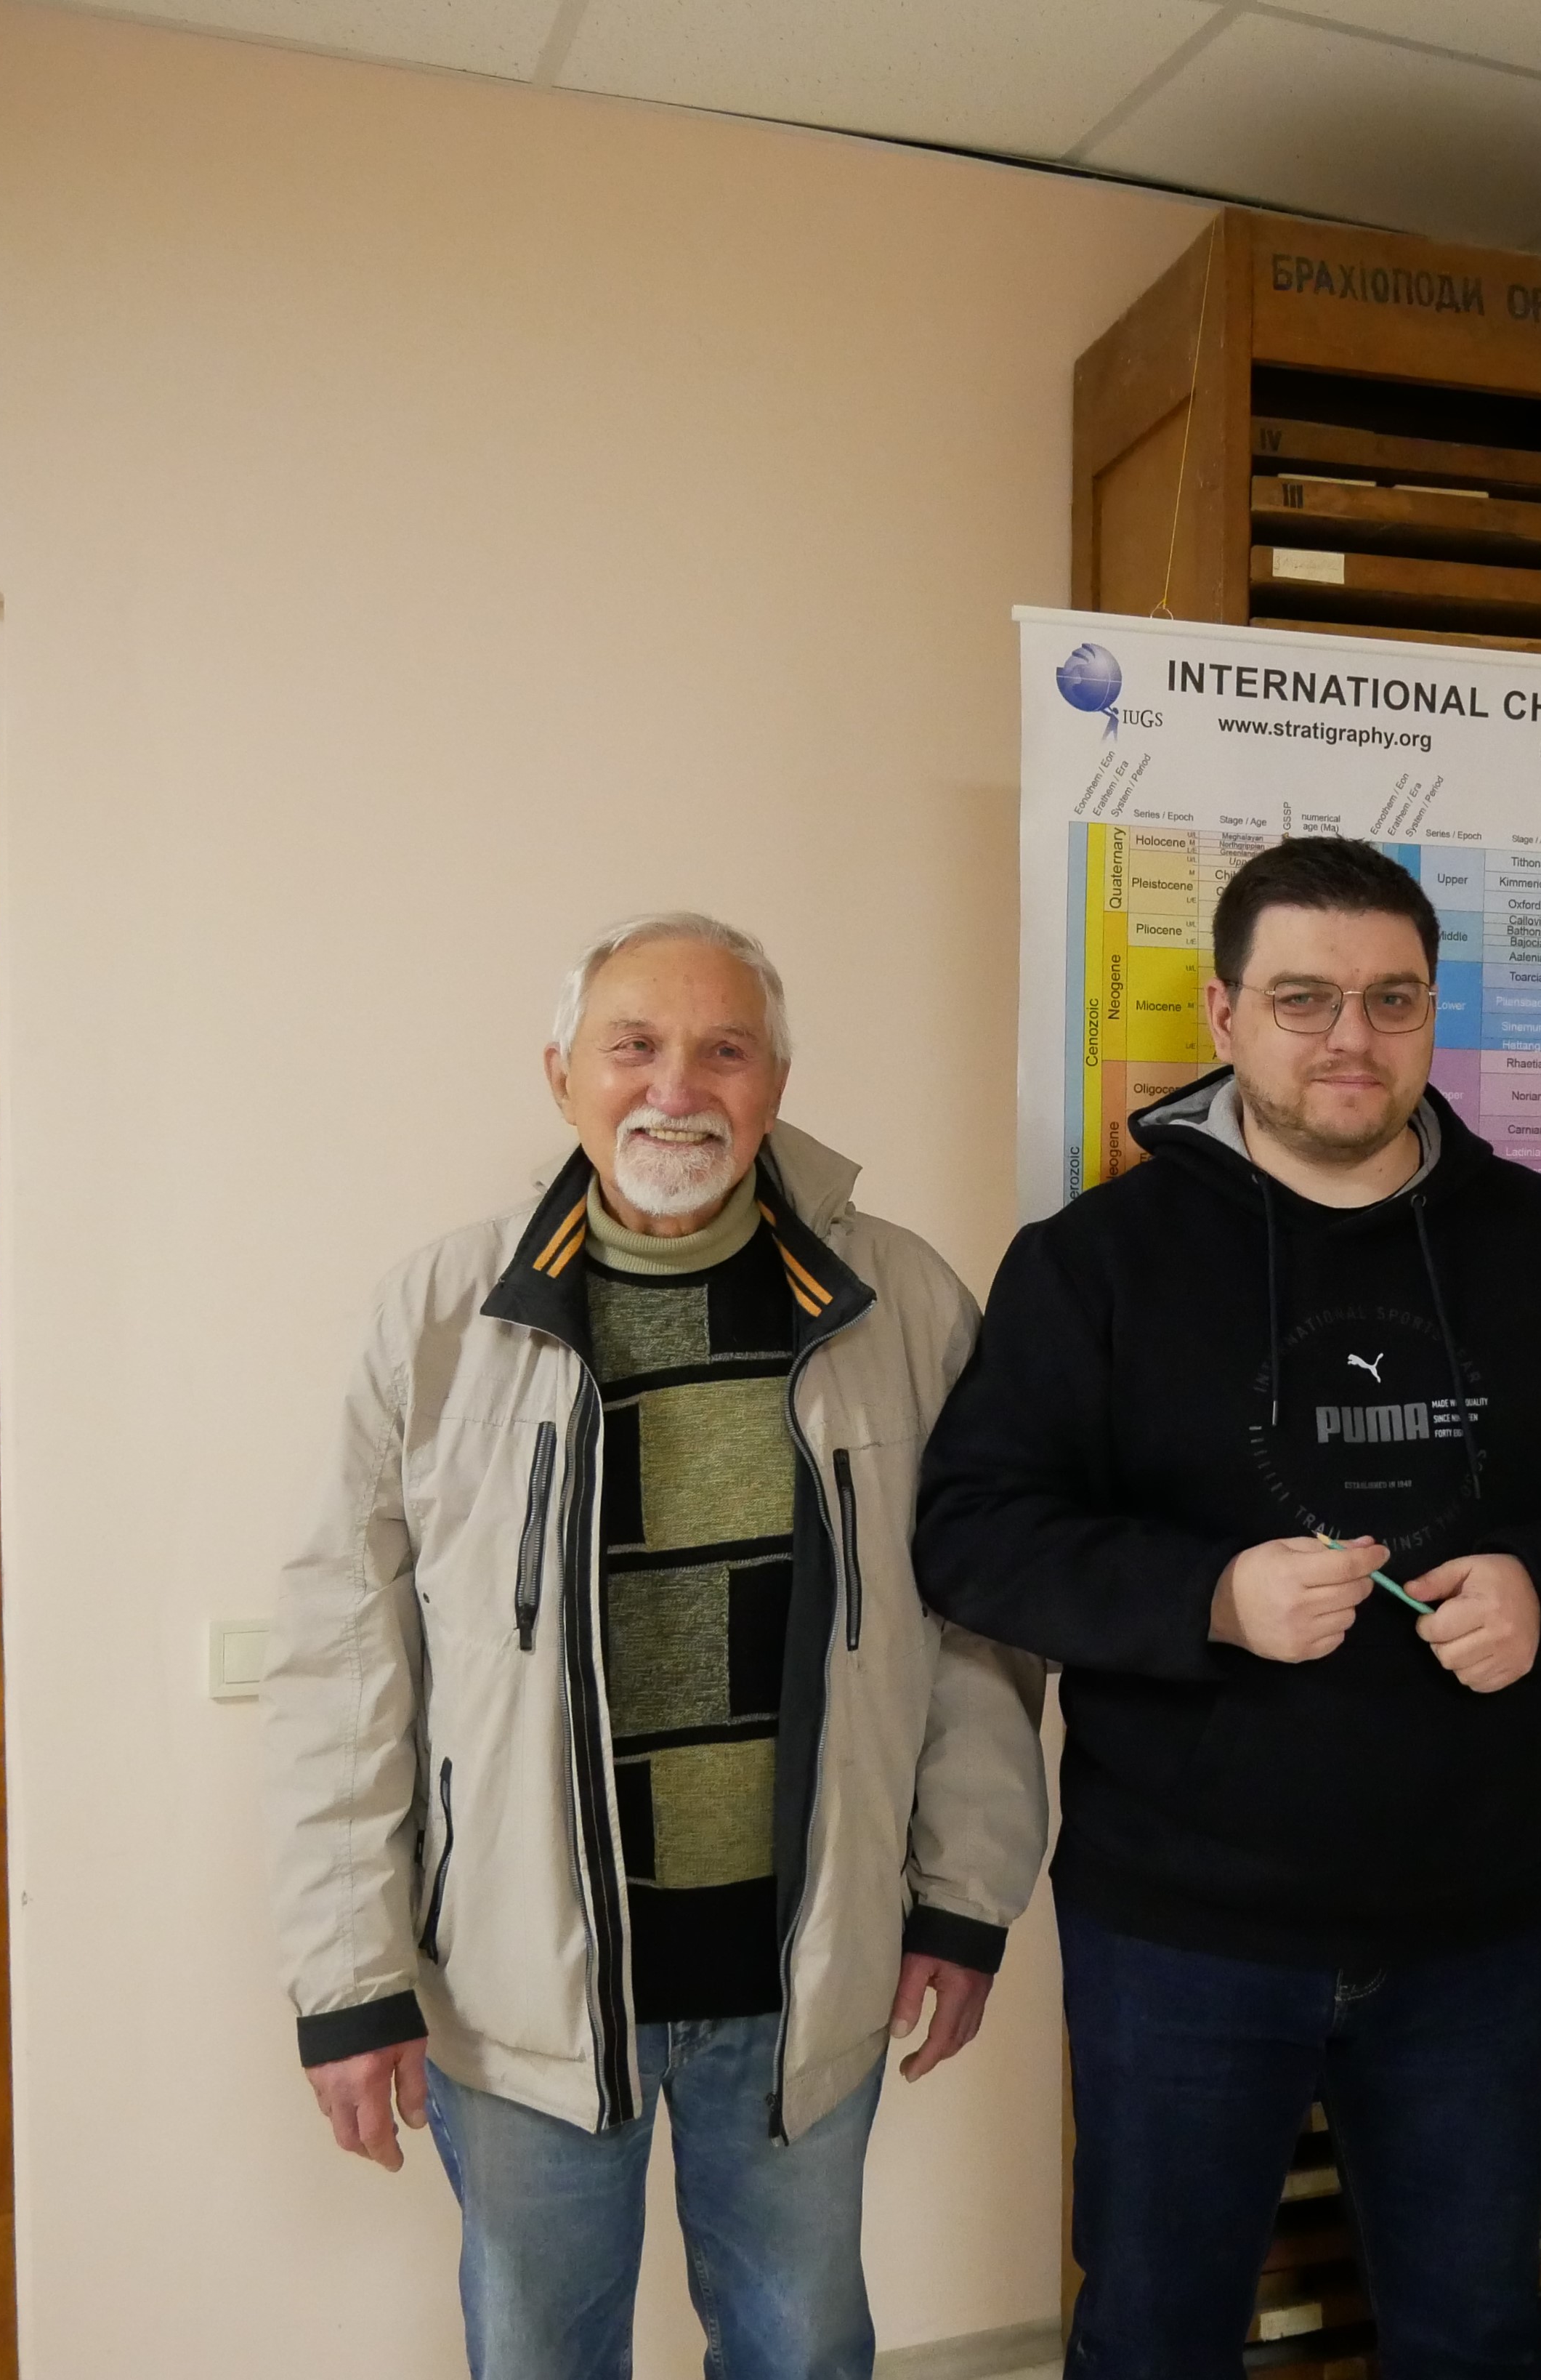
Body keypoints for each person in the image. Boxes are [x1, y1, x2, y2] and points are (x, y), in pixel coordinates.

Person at [914, 838, 1541, 2378]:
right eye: (1304, 999)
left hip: (1475, 1920)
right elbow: (973, 1536)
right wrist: (1208, 1597)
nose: (1350, 1037)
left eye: (1390, 999)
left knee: (1476, 2336)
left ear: (1430, 1016)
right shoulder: (1093, 1263)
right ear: (1225, 1017)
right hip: (1179, 1930)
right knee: (1155, 2340)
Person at [266, 912, 1048, 2380]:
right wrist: (348, 1978)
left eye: (724, 1050)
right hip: (521, 1999)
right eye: (633, 1046)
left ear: (777, 1083)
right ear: (561, 1073)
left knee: (803, 2354)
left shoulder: (903, 1305)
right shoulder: (439, 1319)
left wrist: (963, 1899)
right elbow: (342, 1665)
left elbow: (977, 1631)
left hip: (802, 1978)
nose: (676, 1088)